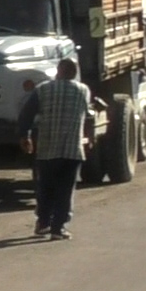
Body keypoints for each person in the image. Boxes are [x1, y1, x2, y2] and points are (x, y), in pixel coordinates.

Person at [17, 57, 95, 240]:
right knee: (65, 190)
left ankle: (43, 222)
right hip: (72, 150)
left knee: (45, 187)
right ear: (74, 73)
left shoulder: (42, 89)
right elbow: (88, 116)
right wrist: (90, 138)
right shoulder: (83, 91)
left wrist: (25, 136)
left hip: (47, 149)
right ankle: (58, 228)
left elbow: (26, 114)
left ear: (58, 71)